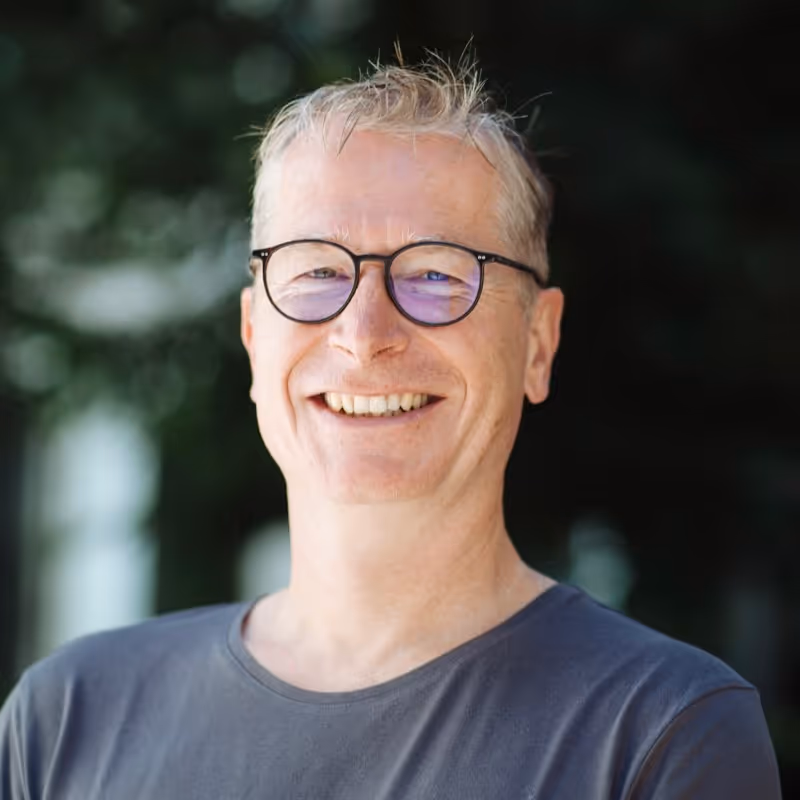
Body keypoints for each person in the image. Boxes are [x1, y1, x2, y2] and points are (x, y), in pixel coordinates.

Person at [0, 54, 782, 800]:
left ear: (537, 344)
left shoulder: (661, 734)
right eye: (314, 272)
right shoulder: (64, 721)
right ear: (252, 339)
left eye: (437, 273)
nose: (365, 331)